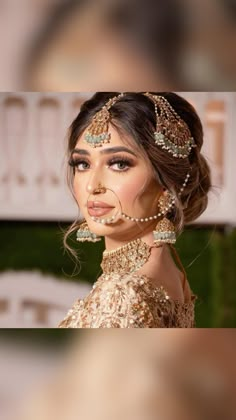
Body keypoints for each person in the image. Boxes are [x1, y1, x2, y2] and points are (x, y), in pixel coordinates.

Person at [58, 92, 211, 328]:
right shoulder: (169, 268)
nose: (91, 185)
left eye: (119, 164)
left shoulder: (120, 296)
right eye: (82, 164)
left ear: (166, 182)